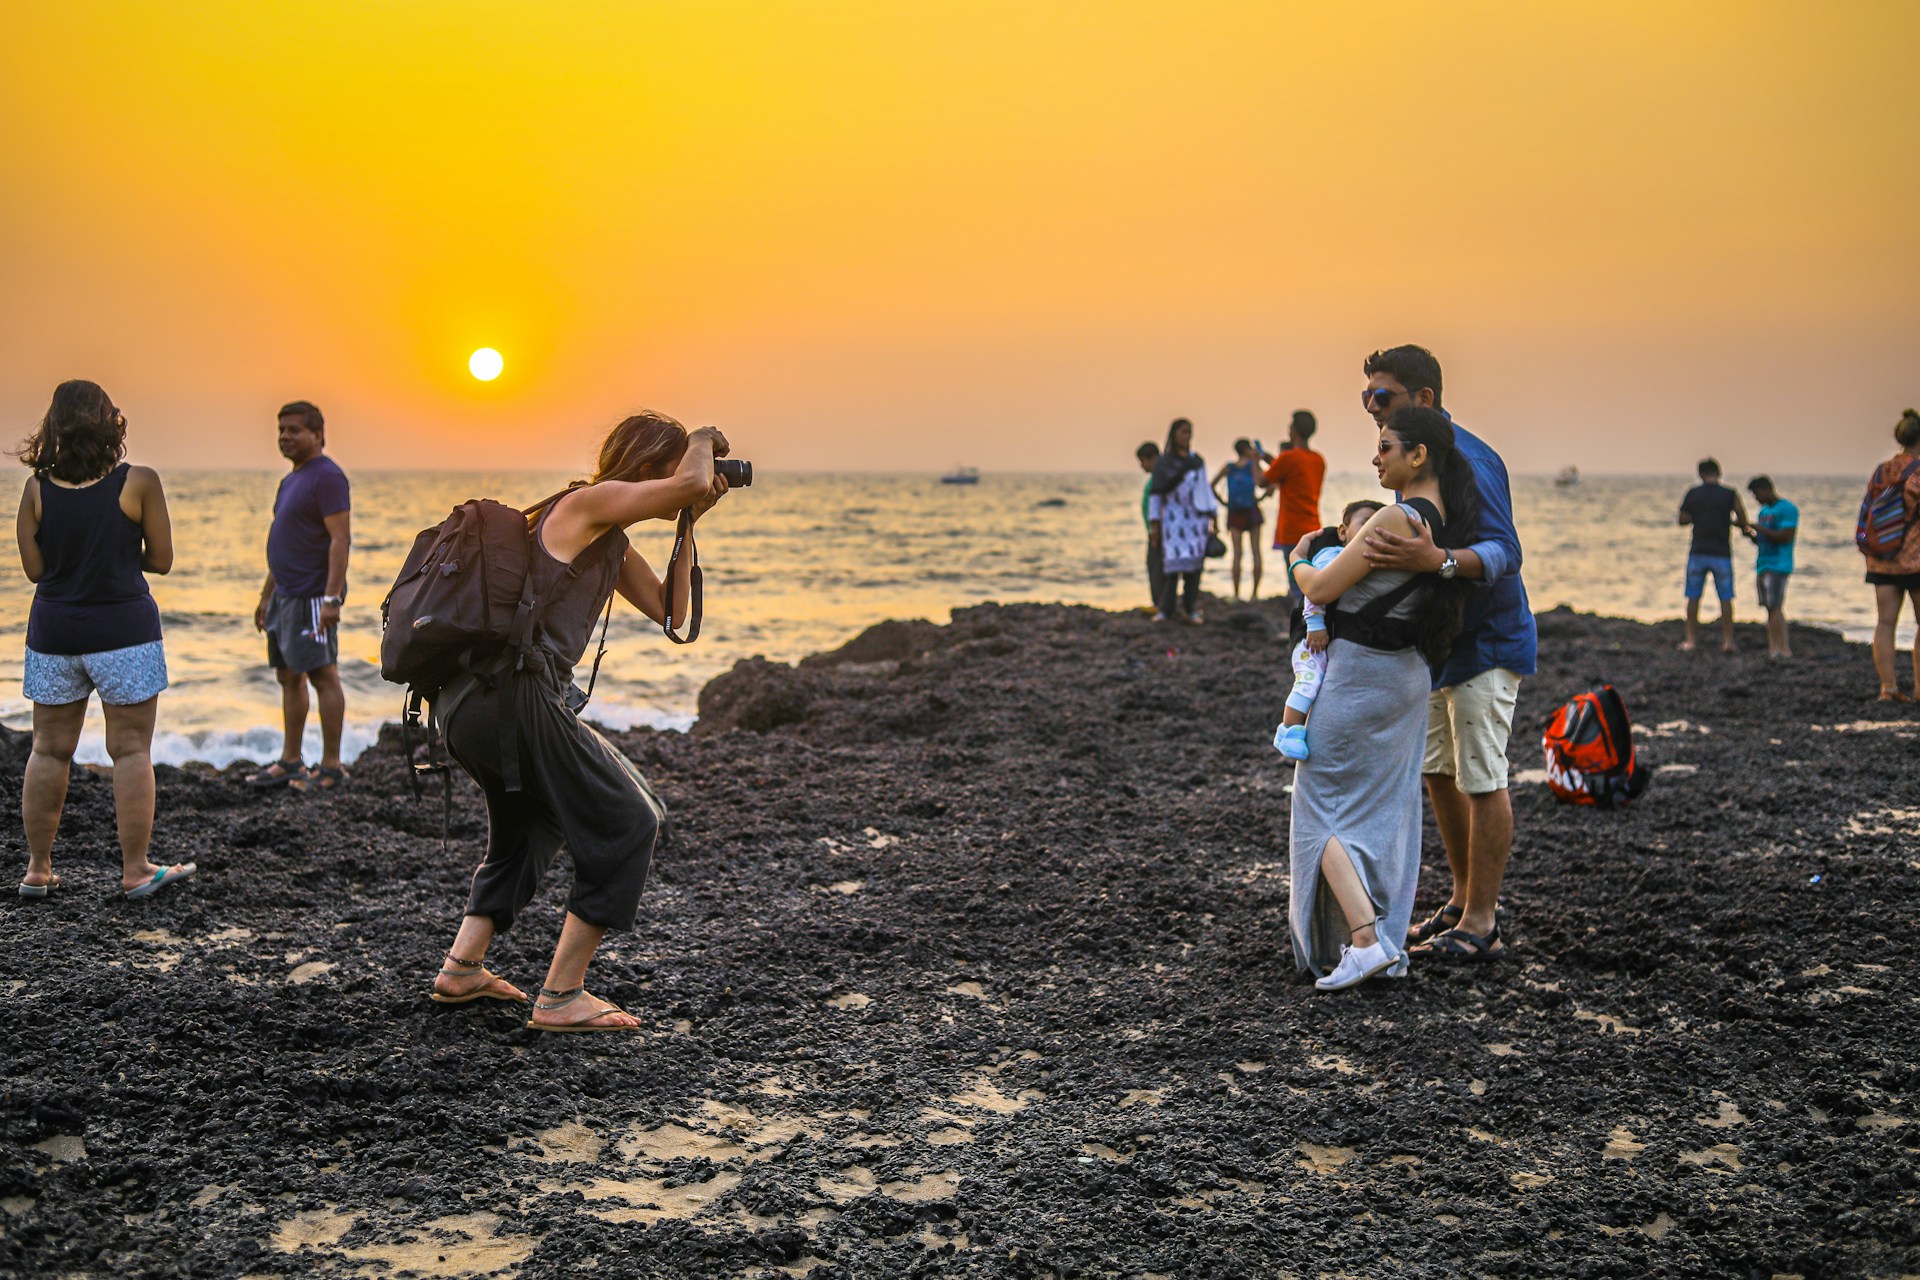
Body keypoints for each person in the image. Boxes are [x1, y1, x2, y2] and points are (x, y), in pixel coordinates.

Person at [428, 410, 730, 1032]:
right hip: (514, 699)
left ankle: (462, 968)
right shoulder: (587, 503)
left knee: (532, 824)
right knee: (629, 820)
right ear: (649, 468)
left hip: (479, 706)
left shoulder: (607, 535)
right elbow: (687, 484)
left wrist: (688, 526)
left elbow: (674, 615)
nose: (690, 478)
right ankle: (562, 996)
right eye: (674, 469)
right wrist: (701, 441)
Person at [1356, 344, 1536, 962]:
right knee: (1437, 771)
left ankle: (1483, 920)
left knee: (1483, 776)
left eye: (1384, 398)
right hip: (1439, 644)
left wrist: (1439, 562)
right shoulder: (1409, 455)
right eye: (1367, 399)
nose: (1374, 412)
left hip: (1489, 640)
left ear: (1424, 398)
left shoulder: (1472, 461)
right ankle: (1460, 901)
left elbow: (1506, 552)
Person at [1288, 407, 1476, 991]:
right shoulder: (1445, 518)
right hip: (1406, 677)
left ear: (1418, 456)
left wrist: (1298, 555)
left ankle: (1365, 941)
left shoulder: (1395, 516)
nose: (1377, 457)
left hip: (1360, 681)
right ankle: (1376, 940)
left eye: (1386, 447)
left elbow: (1320, 587)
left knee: (1319, 810)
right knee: (1378, 813)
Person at [12, 381, 195, 899]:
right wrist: (114, 560)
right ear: (109, 422)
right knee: (132, 750)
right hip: (125, 632)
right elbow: (160, 559)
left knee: (48, 751)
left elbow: (34, 570)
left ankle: (37, 870)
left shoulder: (35, 489)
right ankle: (136, 870)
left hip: (54, 631)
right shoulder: (139, 481)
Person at [246, 401, 352, 791]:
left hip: (311, 596)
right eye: (281, 430)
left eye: (294, 430)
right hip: (284, 597)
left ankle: (331, 766)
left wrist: (331, 599)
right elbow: (284, 541)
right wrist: (266, 595)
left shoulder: (328, 477)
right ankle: (291, 761)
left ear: (318, 434)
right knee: (288, 676)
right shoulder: (291, 480)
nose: (285, 437)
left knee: (323, 675)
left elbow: (340, 540)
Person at [1274, 500, 1383, 761]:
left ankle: (1302, 726)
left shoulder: (1359, 560)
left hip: (1323, 634)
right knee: (1308, 681)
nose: (1371, 529)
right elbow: (1314, 591)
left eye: (1377, 525)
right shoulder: (1331, 555)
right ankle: (1287, 730)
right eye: (1364, 523)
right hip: (1310, 634)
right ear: (1343, 532)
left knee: (1321, 684)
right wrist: (1315, 626)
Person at [1862, 409, 1920, 701]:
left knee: (1885, 623)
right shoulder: (1919, 470)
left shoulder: (1881, 470)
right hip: (1914, 558)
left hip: (1881, 557)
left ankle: (1888, 688)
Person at [1677, 457, 1754, 654]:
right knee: (1726, 597)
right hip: (1722, 552)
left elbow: (1682, 519)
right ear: (1718, 473)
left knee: (1693, 597)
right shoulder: (1729, 494)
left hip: (1698, 550)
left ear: (1701, 474)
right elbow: (1743, 518)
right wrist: (1734, 524)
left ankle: (1691, 640)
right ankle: (1728, 641)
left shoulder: (1693, 494)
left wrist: (1699, 516)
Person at [1146, 418, 1217, 624]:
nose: (1187, 436)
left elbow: (1205, 490)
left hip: (1196, 521)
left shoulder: (1197, 462)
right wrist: (1154, 525)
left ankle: (1190, 609)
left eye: (1189, 432)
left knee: (1194, 569)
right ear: (1174, 434)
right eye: (1183, 432)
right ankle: (1166, 610)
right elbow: (1156, 495)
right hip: (1173, 522)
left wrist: (1213, 517)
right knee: (1171, 568)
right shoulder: (1164, 463)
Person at [1259, 410, 1326, 603]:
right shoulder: (1318, 459)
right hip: (1313, 527)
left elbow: (1261, 481)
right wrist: (1273, 461)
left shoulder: (1288, 458)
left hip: (1291, 530)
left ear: (1293, 430)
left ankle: (1301, 631)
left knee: (1296, 588)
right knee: (1310, 584)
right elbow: (1294, 475)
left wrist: (1256, 461)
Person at [1746, 475, 1798, 660]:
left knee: (1775, 606)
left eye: (1757, 494)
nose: (1756, 499)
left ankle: (1783, 648)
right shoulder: (1763, 512)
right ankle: (1772, 646)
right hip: (1763, 564)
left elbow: (1785, 537)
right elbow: (1763, 541)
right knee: (1769, 608)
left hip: (1779, 565)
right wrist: (1750, 533)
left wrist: (1759, 529)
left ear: (1766, 489)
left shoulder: (1787, 509)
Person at [1211, 439, 1267, 599]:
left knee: (1237, 554)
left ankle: (1236, 594)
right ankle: (1255, 594)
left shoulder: (1229, 468)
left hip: (1234, 512)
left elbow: (1212, 485)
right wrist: (1261, 498)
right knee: (1256, 552)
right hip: (1252, 511)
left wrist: (1222, 502)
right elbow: (1266, 482)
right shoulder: (1252, 466)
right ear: (1246, 450)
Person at [1136, 441, 1166, 616]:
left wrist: (1156, 530)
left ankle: (1160, 604)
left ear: (1152, 458)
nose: (1142, 466)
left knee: (1156, 566)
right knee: (1155, 566)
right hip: (1154, 530)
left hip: (1158, 531)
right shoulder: (1157, 477)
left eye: (1143, 461)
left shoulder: (1160, 478)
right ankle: (1159, 603)